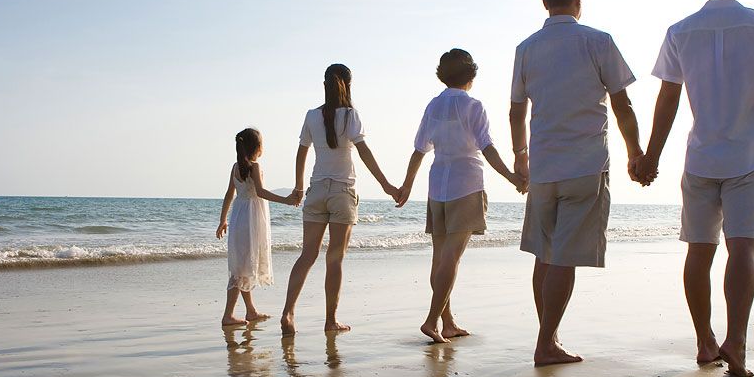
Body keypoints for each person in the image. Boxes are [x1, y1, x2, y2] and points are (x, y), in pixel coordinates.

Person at [637, 0, 754, 377]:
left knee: (699, 250)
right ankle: (738, 344)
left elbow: (667, 98)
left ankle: (705, 341)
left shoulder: (680, 31)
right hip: (747, 156)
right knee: (743, 246)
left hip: (700, 157)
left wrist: (651, 155)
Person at [510, 0, 646, 366]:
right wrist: (635, 152)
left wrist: (521, 155)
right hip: (585, 165)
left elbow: (517, 109)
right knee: (563, 258)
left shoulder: (527, 48)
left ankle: (547, 337)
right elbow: (622, 105)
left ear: (544, 1)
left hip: (544, 167)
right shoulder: (597, 42)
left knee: (544, 254)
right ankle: (545, 342)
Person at [396, 49, 526, 344]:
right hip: (466, 186)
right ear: (471, 75)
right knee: (451, 259)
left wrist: (406, 186)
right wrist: (512, 177)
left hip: (437, 186)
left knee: (440, 258)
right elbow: (487, 148)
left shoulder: (434, 106)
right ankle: (431, 321)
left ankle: (448, 322)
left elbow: (419, 149)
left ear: (443, 75)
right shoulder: (473, 106)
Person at [280, 64, 400, 336]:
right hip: (342, 193)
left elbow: (301, 153)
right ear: (348, 84)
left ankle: (288, 312)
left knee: (306, 256)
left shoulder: (311, 116)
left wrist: (299, 188)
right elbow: (365, 153)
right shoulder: (350, 116)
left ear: (325, 84)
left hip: (316, 191)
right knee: (334, 259)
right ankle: (330, 320)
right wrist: (387, 185)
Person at [216, 128, 301, 327]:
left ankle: (251, 311)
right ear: (258, 148)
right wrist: (286, 200)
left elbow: (230, 194)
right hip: (251, 219)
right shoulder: (254, 167)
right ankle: (228, 315)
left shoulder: (236, 167)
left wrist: (223, 219)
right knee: (241, 268)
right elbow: (261, 192)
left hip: (239, 217)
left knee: (243, 264)